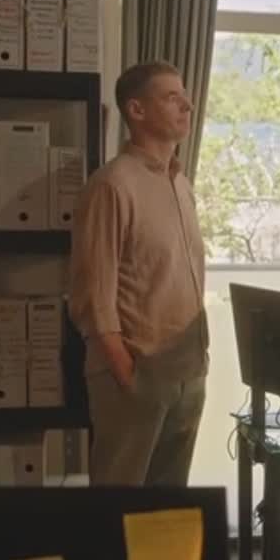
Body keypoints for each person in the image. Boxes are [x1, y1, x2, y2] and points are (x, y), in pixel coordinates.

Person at [70, 61, 207, 486]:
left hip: (186, 373)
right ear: (137, 110)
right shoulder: (112, 185)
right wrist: (127, 373)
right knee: (119, 505)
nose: (187, 106)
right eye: (171, 97)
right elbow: (93, 293)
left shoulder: (181, 184)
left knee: (169, 510)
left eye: (185, 96)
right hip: (136, 373)